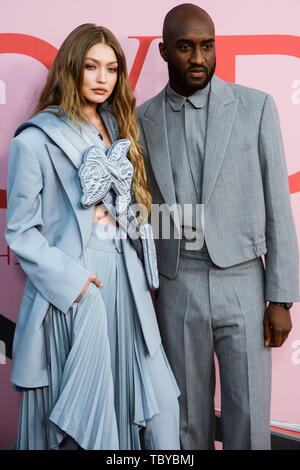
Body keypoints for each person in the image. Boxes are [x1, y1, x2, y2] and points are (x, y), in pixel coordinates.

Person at [5, 23, 180, 451]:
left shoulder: (118, 129)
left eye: (112, 69)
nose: (103, 78)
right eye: (91, 67)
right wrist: (74, 284)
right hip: (80, 290)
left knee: (161, 413)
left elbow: (129, 212)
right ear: (71, 69)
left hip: (129, 282)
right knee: (87, 425)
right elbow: (20, 231)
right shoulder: (35, 139)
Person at [137, 4, 299, 450]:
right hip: (176, 284)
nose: (198, 58)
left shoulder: (255, 107)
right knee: (185, 418)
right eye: (185, 47)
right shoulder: (140, 120)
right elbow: (138, 212)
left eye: (207, 46)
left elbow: (277, 206)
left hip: (244, 280)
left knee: (248, 414)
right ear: (164, 51)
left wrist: (280, 296)